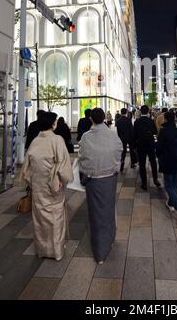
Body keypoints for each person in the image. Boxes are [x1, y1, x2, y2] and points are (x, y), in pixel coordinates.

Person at [21, 112, 73, 261]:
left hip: (38, 185)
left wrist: (32, 181)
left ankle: (42, 249)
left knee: (40, 218)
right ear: (52, 124)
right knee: (55, 216)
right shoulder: (57, 140)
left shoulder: (35, 141)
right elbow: (63, 164)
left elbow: (27, 168)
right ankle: (56, 250)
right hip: (54, 185)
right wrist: (63, 179)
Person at [78, 108, 122, 263]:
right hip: (109, 178)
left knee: (95, 213)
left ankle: (99, 251)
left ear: (91, 119)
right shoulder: (112, 135)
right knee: (108, 209)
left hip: (93, 179)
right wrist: (115, 166)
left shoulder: (86, 137)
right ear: (104, 118)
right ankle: (109, 240)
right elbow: (119, 151)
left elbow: (82, 157)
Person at [156, 111, 177, 228]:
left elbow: (159, 148)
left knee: (168, 185)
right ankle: (171, 203)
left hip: (167, 161)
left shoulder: (163, 132)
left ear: (165, 119)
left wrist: (158, 155)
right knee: (174, 183)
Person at [133, 105, 161, 191]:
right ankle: (155, 179)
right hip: (150, 144)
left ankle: (144, 183)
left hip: (141, 145)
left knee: (142, 164)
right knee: (153, 162)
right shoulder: (151, 121)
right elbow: (155, 132)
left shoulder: (137, 122)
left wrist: (134, 145)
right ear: (148, 111)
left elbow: (134, 135)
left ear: (141, 111)